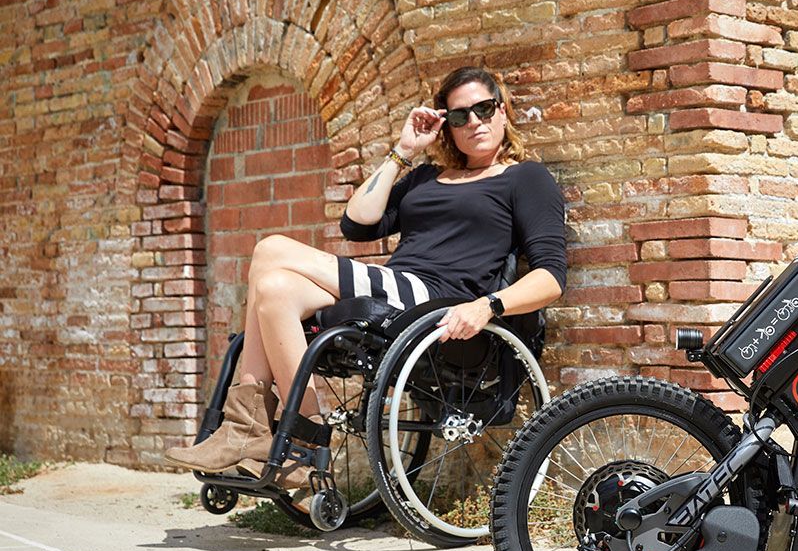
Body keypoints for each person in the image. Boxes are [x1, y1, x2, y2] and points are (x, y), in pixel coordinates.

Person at [165, 66, 568, 498]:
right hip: (395, 286)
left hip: (435, 298)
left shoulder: (525, 178)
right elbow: (357, 222)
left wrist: (487, 305)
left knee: (269, 251)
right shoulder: (425, 178)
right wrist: (403, 150)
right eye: (458, 116)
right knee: (274, 289)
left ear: (502, 111)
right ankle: (304, 448)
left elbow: (551, 277)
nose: (473, 123)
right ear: (446, 125)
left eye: (483, 110)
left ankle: (246, 429)